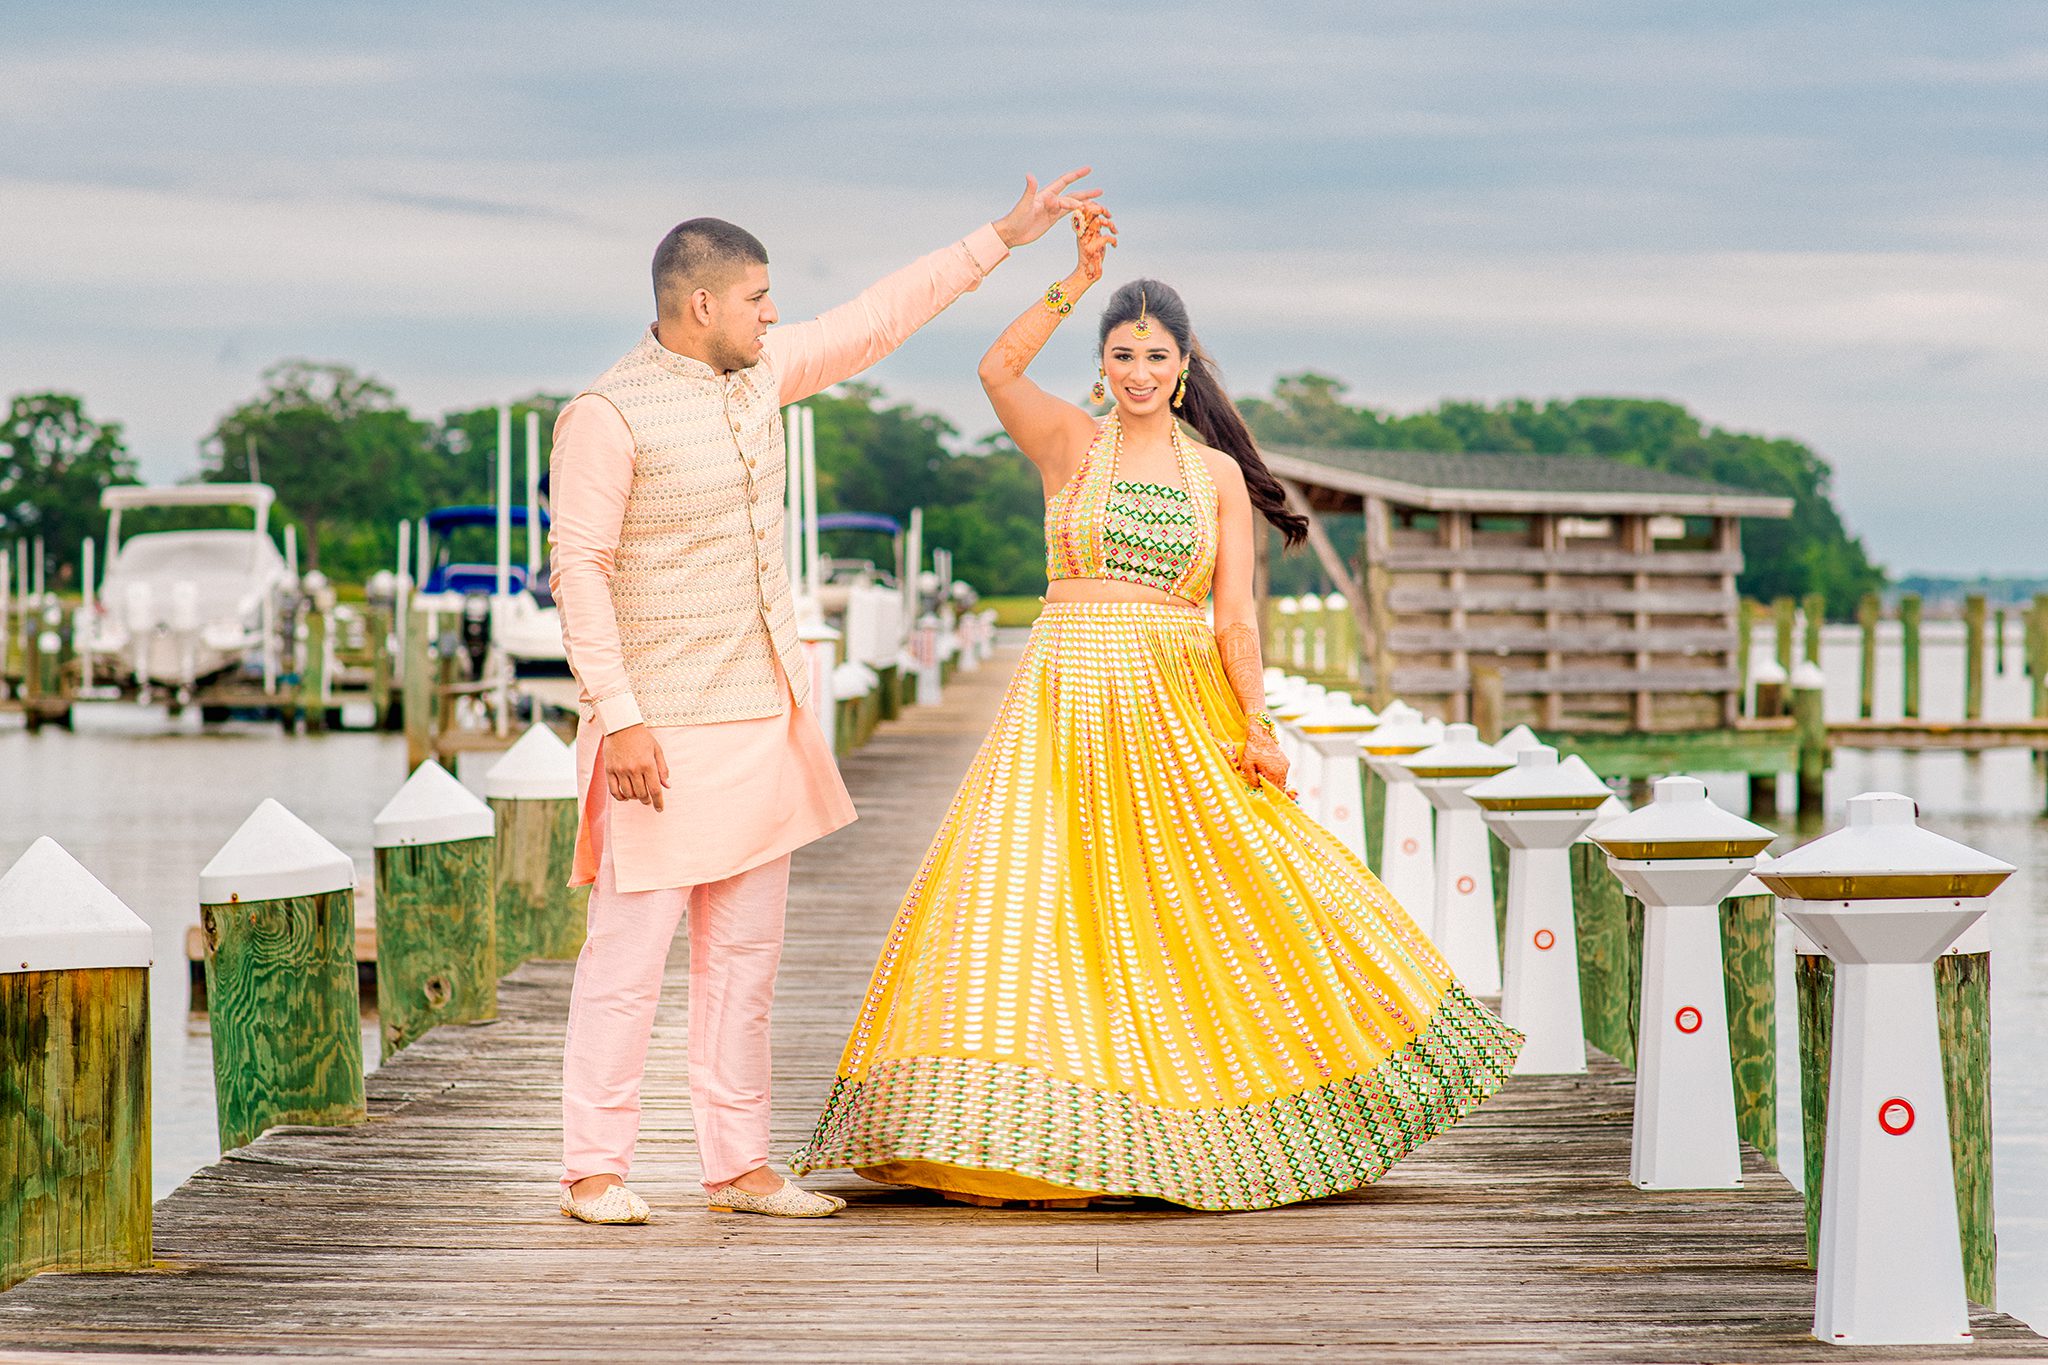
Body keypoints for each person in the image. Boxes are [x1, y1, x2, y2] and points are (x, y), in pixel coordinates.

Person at [793, 211, 1524, 1210]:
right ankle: (1031, 1127)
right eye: (1121, 353)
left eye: (1155, 356)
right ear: (1102, 365)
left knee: (1196, 902)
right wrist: (1073, 276)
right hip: (1059, 706)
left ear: (1182, 368)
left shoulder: (1216, 475)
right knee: (1040, 904)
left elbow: (1235, 619)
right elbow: (996, 372)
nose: (1136, 371)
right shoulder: (1068, 444)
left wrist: (1255, 728)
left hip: (1170, 707)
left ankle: (1209, 1116)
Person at [548, 168, 1101, 1224]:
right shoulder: (605, 414)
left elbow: (880, 317)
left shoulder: (762, 374)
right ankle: (594, 1170)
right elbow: (578, 570)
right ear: (699, 303)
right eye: (756, 298)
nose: (771, 315)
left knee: (746, 958)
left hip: (762, 717)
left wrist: (1005, 236)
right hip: (653, 730)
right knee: (627, 958)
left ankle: (739, 1166)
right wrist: (617, 717)